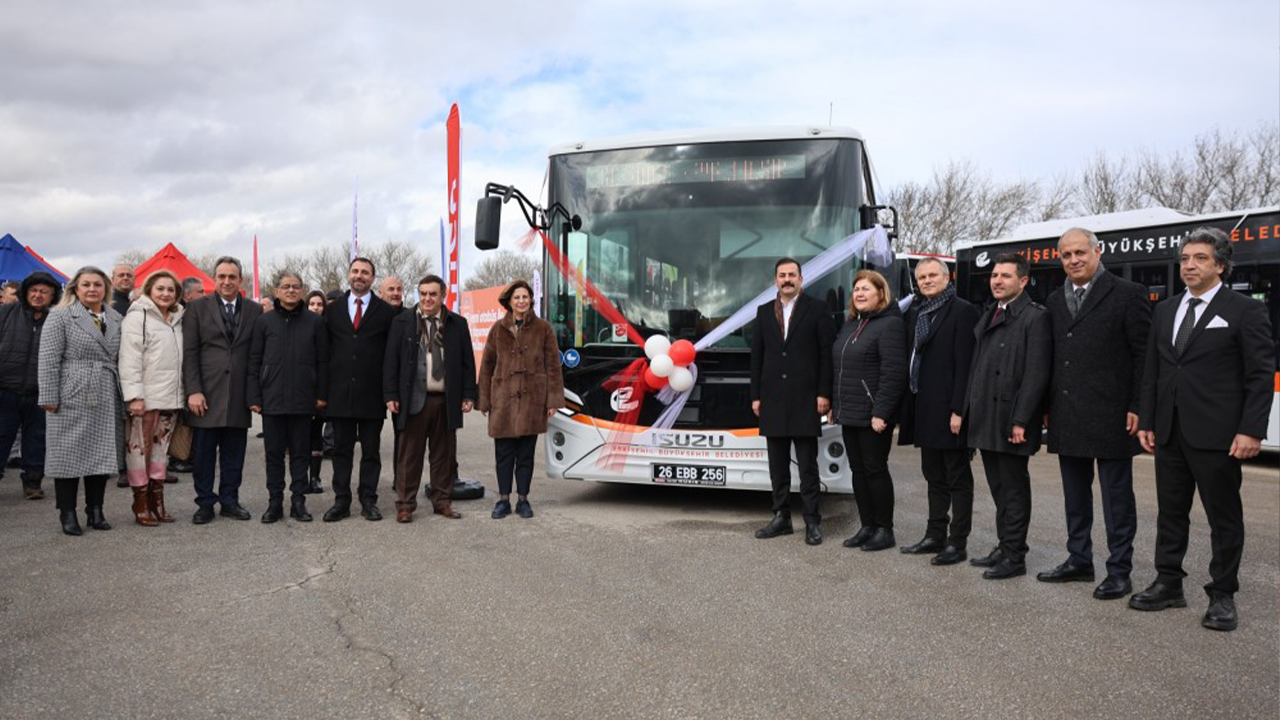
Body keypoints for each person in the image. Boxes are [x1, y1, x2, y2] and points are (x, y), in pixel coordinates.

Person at [1132, 228, 1274, 632]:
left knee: (1223, 517)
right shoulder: (1165, 310)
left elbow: (1260, 375)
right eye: (1185, 259)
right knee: (1170, 513)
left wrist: (1251, 430)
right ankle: (1168, 583)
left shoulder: (1245, 309)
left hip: (1218, 434)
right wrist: (1148, 420)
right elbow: (1154, 371)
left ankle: (1223, 594)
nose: (1189, 265)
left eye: (1199, 258)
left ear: (1220, 266)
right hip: (1170, 432)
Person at [1039, 228, 1151, 600]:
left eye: (1080, 253)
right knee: (1075, 497)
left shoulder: (1128, 295)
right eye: (1066, 255)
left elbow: (1143, 357)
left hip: (1114, 415)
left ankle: (1120, 571)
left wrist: (1138, 405)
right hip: (1067, 413)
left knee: (1117, 500)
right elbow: (1051, 359)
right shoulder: (1055, 300)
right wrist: (1045, 409)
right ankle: (1079, 561)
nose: (1073, 260)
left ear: (1098, 252)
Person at [964, 253, 1051, 580]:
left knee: (1014, 491)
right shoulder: (991, 313)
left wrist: (1021, 420)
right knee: (1000, 489)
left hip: (1011, 420)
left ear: (1023, 281)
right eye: (994, 276)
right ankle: (1005, 545)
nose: (997, 281)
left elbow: (1036, 374)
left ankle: (1015, 556)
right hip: (987, 415)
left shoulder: (1034, 318)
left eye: (1005, 276)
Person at [897, 258, 980, 565]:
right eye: (922, 277)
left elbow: (965, 366)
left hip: (950, 410)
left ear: (947, 277)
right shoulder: (919, 312)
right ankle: (935, 535)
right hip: (924, 407)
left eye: (933, 275)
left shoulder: (962, 311)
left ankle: (957, 543)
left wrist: (959, 409)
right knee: (933, 476)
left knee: (957, 478)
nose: (927, 280)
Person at [750, 257, 836, 546]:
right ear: (775, 279)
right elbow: (757, 358)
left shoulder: (818, 309)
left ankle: (812, 522)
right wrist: (756, 396)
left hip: (806, 399)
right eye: (782, 275)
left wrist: (825, 393)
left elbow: (827, 355)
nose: (787, 279)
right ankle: (781, 518)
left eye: (792, 275)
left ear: (801, 279)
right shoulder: (763, 312)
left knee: (808, 466)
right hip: (772, 400)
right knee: (777, 466)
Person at [38, 267, 125, 536]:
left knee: (100, 453)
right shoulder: (61, 317)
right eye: (85, 284)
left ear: (105, 288)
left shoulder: (116, 317)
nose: (91, 289)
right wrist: (49, 396)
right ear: (75, 288)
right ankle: (67, 513)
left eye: (97, 284)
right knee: (67, 456)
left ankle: (95, 510)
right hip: (71, 390)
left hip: (105, 388)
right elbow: (48, 359)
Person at [384, 274, 477, 522]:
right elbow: (391, 361)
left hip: (445, 400)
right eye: (423, 293)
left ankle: (442, 501)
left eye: (433, 294)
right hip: (412, 399)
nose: (427, 298)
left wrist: (469, 394)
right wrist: (391, 394)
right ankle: (405, 505)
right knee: (409, 457)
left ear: (443, 295)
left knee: (444, 456)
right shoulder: (402, 322)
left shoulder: (458, 324)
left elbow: (468, 362)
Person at [182, 256, 263, 524]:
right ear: (213, 279)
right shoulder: (196, 309)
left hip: (238, 395)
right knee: (204, 454)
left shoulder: (254, 310)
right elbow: (190, 352)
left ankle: (230, 500)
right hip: (206, 393)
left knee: (234, 453)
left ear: (240, 280)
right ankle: (205, 502)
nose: (227, 281)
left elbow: (256, 355)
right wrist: (193, 389)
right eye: (221, 276)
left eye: (232, 277)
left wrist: (254, 394)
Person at [831, 269, 906, 551]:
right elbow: (839, 368)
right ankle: (867, 526)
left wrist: (881, 412)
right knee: (858, 471)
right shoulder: (850, 324)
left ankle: (885, 530)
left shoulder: (890, 325)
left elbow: (893, 374)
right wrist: (835, 406)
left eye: (866, 289)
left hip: (873, 414)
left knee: (875, 470)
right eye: (857, 289)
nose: (860, 294)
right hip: (849, 410)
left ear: (880, 294)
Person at [478, 280, 564, 519]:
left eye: (525, 297)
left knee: (526, 454)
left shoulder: (543, 328)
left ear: (531, 300)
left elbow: (553, 366)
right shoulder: (498, 329)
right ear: (509, 302)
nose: (521, 301)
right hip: (503, 401)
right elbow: (486, 365)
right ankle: (503, 500)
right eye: (517, 298)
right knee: (503, 454)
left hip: (531, 400)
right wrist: (484, 400)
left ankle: (523, 500)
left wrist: (553, 400)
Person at [248, 271, 328, 523]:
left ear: (302, 290)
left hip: (303, 400)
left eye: (296, 286)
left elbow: (324, 361)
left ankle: (298, 502)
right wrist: (254, 395)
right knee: (273, 454)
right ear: (277, 290)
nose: (291, 290)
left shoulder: (314, 322)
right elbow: (254, 361)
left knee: (300, 454)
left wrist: (321, 394)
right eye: (286, 286)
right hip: (272, 399)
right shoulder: (264, 322)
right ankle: (274, 503)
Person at [322, 257, 395, 522]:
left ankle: (368, 500)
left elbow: (390, 357)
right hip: (340, 394)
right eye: (355, 271)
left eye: (365, 272)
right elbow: (324, 352)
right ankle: (341, 501)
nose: (359, 276)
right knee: (341, 452)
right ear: (348, 275)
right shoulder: (333, 310)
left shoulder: (386, 313)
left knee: (371, 452)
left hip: (371, 395)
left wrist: (389, 394)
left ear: (373, 278)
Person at [118, 270, 185, 527]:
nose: (166, 293)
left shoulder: (179, 318)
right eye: (160, 289)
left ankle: (158, 502)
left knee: (160, 452)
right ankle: (141, 503)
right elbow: (130, 358)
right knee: (139, 450)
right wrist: (135, 395)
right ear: (149, 290)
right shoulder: (138, 317)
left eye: (170, 289)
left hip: (171, 397)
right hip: (145, 398)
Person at [0, 272, 62, 500]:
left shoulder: (57, 319)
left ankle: (33, 483)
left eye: (44, 292)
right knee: (1, 436)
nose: (38, 295)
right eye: (33, 290)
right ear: (25, 292)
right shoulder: (5, 313)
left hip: (40, 391)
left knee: (36, 440)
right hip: (5, 388)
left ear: (52, 296)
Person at [304, 289, 329, 494]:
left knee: (316, 436)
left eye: (319, 304)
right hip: (302, 391)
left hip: (321, 390)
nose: (315, 307)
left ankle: (315, 476)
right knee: (300, 437)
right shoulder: (301, 327)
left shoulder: (328, 329)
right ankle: (302, 476)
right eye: (312, 304)